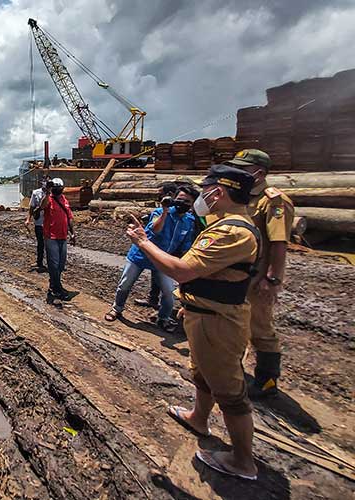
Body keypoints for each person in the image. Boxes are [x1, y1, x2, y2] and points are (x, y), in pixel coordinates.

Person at [126, 165, 260, 481]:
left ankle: (243, 460)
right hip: (204, 314)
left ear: (218, 193)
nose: (200, 197)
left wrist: (143, 242)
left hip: (220, 322)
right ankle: (199, 418)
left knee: (229, 391)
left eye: (206, 191)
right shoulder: (222, 224)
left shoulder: (233, 232)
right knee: (202, 374)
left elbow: (182, 270)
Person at [226, 149, 294, 398]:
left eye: (242, 169)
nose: (236, 172)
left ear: (259, 173)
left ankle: (267, 381)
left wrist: (273, 279)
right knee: (234, 323)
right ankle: (234, 371)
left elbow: (279, 243)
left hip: (258, 277)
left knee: (260, 326)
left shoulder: (273, 201)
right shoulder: (242, 197)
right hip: (238, 274)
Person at [105, 185, 199, 332]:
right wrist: (166, 212)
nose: (182, 203)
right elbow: (155, 230)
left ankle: (164, 318)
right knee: (125, 285)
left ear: (192, 204)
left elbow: (185, 245)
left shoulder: (189, 221)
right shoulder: (159, 212)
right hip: (140, 256)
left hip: (163, 260)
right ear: (174, 199)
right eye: (179, 199)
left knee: (169, 292)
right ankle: (117, 308)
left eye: (187, 201)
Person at [134, 182, 179, 309]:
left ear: (169, 195)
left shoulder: (180, 213)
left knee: (167, 284)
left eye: (161, 194)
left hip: (169, 250)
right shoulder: (160, 211)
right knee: (156, 276)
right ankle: (153, 299)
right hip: (159, 248)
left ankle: (167, 312)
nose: (159, 197)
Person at [41, 178, 77, 305]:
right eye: (55, 189)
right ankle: (57, 289)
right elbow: (42, 206)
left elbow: (69, 217)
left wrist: (72, 233)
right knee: (53, 264)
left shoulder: (64, 199)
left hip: (63, 236)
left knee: (61, 265)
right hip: (51, 237)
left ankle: (53, 284)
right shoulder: (49, 199)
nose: (57, 191)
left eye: (59, 188)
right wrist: (47, 192)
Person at [25, 175, 50, 273]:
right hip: (39, 222)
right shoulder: (36, 193)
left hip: (50, 222)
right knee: (40, 243)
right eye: (45, 181)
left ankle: (51, 262)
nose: (46, 183)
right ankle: (39, 262)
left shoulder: (53, 193)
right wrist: (28, 219)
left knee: (50, 243)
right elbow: (31, 208)